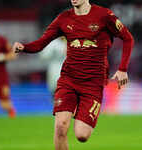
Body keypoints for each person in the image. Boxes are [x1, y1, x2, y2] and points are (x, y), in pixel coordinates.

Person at [13, 0, 134, 149]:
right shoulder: (64, 18)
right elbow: (41, 43)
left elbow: (128, 38)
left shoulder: (104, 15)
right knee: (60, 127)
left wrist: (122, 69)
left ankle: (82, 110)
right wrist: (24, 47)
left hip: (93, 83)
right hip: (68, 80)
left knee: (82, 135)